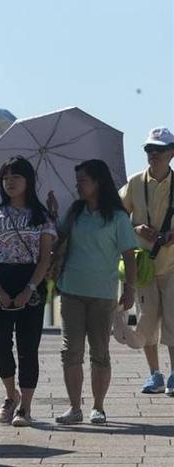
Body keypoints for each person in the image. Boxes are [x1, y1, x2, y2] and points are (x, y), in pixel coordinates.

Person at [51, 159, 138, 425]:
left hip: (103, 294)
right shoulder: (75, 212)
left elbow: (129, 255)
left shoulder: (118, 217)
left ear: (98, 182)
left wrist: (130, 289)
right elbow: (59, 241)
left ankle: (98, 407)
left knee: (100, 351)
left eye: (83, 181)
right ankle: (75, 407)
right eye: (77, 181)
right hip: (71, 290)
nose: (78, 186)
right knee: (71, 351)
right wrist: (53, 214)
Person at [0, 157, 56, 427]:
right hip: (1, 278)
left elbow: (45, 258)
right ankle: (10, 394)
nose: (10, 182)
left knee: (28, 346)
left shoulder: (42, 217)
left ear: (28, 181)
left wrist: (30, 288)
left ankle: (26, 407)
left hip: (30, 280)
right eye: (5, 177)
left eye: (16, 177)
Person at [120, 127, 174, 395]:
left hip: (173, 264)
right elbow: (117, 218)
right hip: (144, 267)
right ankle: (155, 374)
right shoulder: (134, 183)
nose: (153, 154)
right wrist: (135, 229)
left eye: (159, 150)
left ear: (171, 153)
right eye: (149, 149)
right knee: (147, 321)